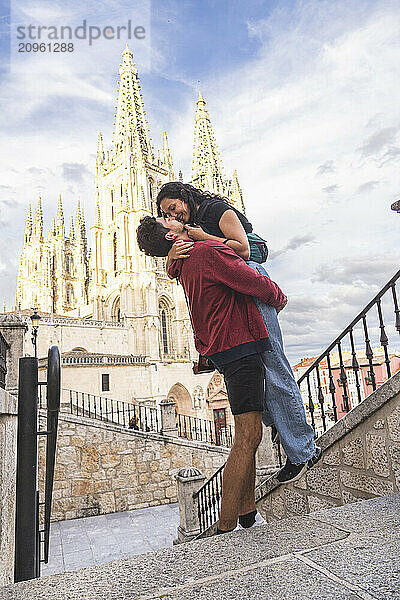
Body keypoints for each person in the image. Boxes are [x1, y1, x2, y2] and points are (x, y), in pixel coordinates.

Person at [136, 216, 321, 533]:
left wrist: (173, 256)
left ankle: (247, 513)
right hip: (241, 347)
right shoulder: (206, 252)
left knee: (248, 436)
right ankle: (224, 527)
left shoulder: (181, 265)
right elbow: (250, 280)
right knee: (247, 438)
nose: (175, 217)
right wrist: (279, 298)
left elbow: (185, 274)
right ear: (170, 234)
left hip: (221, 350)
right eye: (167, 218)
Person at [156, 182, 318, 483]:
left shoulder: (216, 210)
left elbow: (242, 249)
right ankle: (293, 446)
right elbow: (186, 264)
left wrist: (203, 238)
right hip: (235, 283)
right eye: (166, 213)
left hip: (250, 277)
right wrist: (171, 256)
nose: (172, 215)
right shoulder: (191, 224)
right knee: (263, 372)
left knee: (275, 367)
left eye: (173, 207)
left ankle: (304, 450)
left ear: (185, 198)